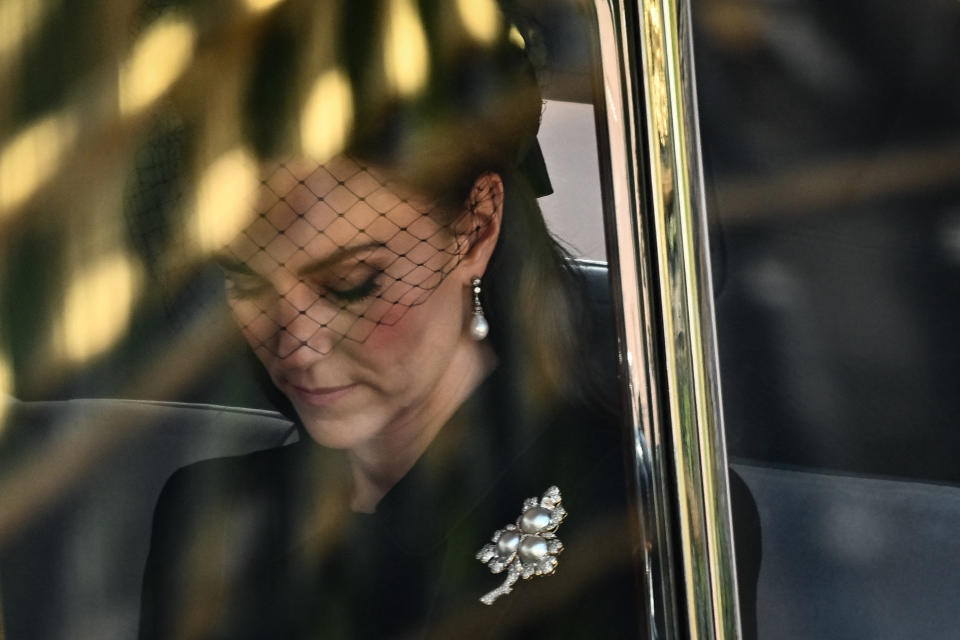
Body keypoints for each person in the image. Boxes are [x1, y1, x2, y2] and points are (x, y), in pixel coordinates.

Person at [137, 1, 759, 638]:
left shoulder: (651, 519)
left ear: (475, 227)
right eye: (245, 281)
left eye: (352, 283)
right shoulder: (206, 517)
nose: (296, 342)